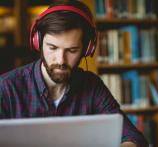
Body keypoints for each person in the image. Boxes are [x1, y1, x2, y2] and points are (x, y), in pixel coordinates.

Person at [0, 0, 148, 147]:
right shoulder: (6, 88)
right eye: (52, 48)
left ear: (87, 49)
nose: (61, 60)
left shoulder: (92, 86)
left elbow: (133, 137)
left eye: (72, 50)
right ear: (38, 42)